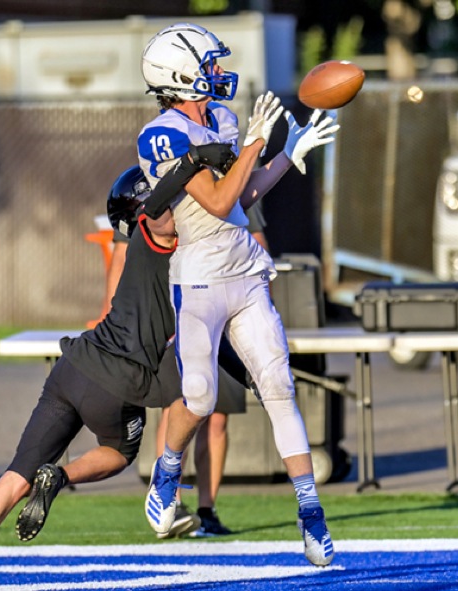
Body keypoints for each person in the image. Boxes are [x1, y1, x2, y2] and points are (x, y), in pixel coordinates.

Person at [0, 145, 240, 591]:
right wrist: (194, 163)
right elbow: (216, 338)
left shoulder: (154, 247)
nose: (183, 205)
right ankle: (69, 475)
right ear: (146, 210)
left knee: (15, 476)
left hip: (73, 366)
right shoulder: (169, 245)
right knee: (128, 447)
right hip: (118, 382)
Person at [137, 23, 339, 567]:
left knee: (279, 386)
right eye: (208, 65)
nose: (218, 73)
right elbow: (218, 200)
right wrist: (254, 144)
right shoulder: (161, 135)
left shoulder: (223, 119)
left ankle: (310, 511)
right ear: (180, 75)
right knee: (200, 398)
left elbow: (244, 196)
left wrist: (285, 155)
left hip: (246, 272)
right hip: (199, 279)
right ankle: (168, 468)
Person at [106, 203, 267, 537]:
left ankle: (208, 510)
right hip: (174, 318)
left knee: (217, 418)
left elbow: (257, 244)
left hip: (222, 316)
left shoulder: (231, 188)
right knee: (178, 408)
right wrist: (115, 318)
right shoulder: (157, 188)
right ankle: (170, 502)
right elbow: (121, 255)